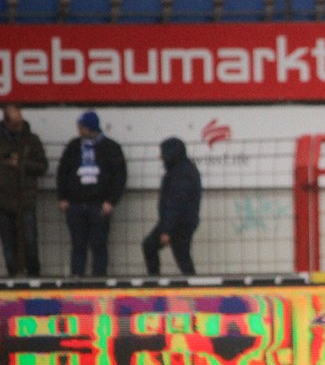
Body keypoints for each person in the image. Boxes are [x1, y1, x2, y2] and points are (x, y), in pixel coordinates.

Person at [56, 110, 127, 277]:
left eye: (82, 127)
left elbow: (119, 176)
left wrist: (111, 200)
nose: (79, 130)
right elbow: (62, 172)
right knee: (78, 244)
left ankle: (98, 279)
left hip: (99, 205)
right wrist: (62, 197)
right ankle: (76, 278)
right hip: (75, 204)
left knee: (99, 245)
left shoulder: (111, 148)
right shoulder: (73, 147)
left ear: (91, 128)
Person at [0, 104, 48, 278]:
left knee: (29, 241)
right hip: (3, 200)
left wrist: (21, 164)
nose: (18, 128)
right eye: (14, 125)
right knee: (8, 243)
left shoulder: (31, 140)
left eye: (19, 124)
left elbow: (42, 166)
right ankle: (13, 275)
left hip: (25, 199)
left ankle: (34, 275)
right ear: (6, 123)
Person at [142, 137, 202, 276]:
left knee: (151, 246)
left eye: (163, 152)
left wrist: (167, 230)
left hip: (179, 223)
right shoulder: (183, 169)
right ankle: (191, 282)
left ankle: (154, 281)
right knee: (182, 255)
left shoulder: (180, 172)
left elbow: (176, 202)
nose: (160, 156)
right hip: (184, 221)